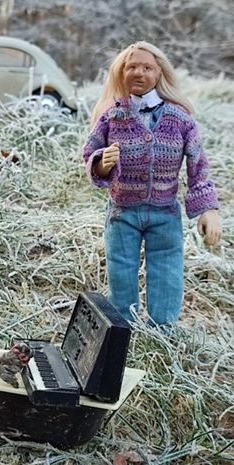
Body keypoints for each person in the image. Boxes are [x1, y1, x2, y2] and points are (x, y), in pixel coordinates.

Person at [82, 41, 222, 326]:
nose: (139, 73)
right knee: (121, 271)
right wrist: (101, 162)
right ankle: (121, 330)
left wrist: (208, 209)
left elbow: (198, 165)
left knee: (167, 271)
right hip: (122, 212)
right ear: (121, 72)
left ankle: (163, 330)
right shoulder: (111, 117)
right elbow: (90, 153)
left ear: (159, 73)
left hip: (164, 212)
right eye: (132, 66)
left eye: (147, 67)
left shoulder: (180, 118)